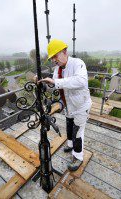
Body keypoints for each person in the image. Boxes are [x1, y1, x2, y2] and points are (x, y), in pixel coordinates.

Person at [38, 39, 92, 171]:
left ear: (65, 52)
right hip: (69, 105)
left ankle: (78, 157)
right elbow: (56, 84)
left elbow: (80, 81)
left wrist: (56, 82)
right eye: (52, 58)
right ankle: (70, 145)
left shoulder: (78, 63)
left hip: (80, 106)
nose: (54, 60)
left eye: (55, 56)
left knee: (77, 131)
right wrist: (45, 83)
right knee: (69, 127)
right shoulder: (58, 69)